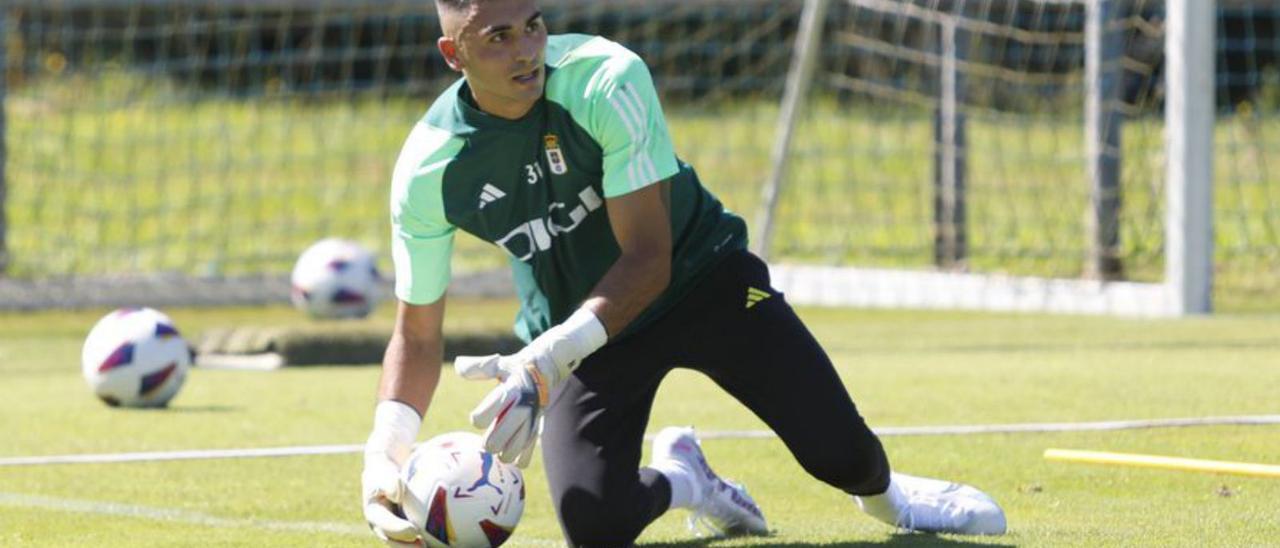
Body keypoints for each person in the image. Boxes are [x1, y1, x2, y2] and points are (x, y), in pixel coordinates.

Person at [361, 0, 1008, 545]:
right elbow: (418, 335)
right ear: (455, 55)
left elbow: (649, 259)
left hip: (702, 281)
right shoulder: (429, 168)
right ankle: (686, 480)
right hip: (579, 332)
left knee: (842, 456)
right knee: (595, 524)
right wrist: (384, 452)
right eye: (497, 38)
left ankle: (895, 502)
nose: (526, 49)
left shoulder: (604, 78)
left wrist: (546, 359)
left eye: (533, 24)